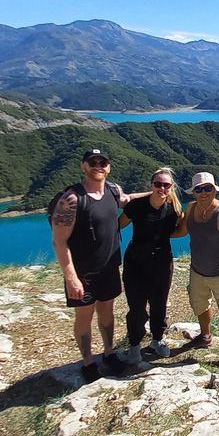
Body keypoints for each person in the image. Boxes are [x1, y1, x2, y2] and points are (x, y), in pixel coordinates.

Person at [51, 148, 145, 383]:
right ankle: (87, 362)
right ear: (83, 165)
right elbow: (59, 241)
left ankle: (109, 352)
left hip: (109, 267)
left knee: (107, 313)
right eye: (92, 162)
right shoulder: (72, 199)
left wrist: (157, 191)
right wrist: (71, 278)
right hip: (83, 272)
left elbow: (127, 200)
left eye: (102, 162)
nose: (98, 166)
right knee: (84, 317)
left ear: (108, 166)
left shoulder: (113, 191)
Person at [172, 172, 219, 371]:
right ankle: (205, 336)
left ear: (214, 189)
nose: (204, 192)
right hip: (197, 271)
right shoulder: (191, 208)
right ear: (194, 192)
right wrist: (156, 234)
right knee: (200, 305)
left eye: (208, 188)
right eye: (199, 189)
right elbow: (182, 231)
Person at [118, 167, 183, 363]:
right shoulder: (137, 206)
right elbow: (118, 225)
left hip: (161, 262)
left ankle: (157, 339)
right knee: (136, 306)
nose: (162, 188)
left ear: (171, 187)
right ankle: (135, 344)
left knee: (159, 303)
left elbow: (180, 231)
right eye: (157, 184)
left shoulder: (174, 209)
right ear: (151, 185)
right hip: (135, 262)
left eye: (166, 185)